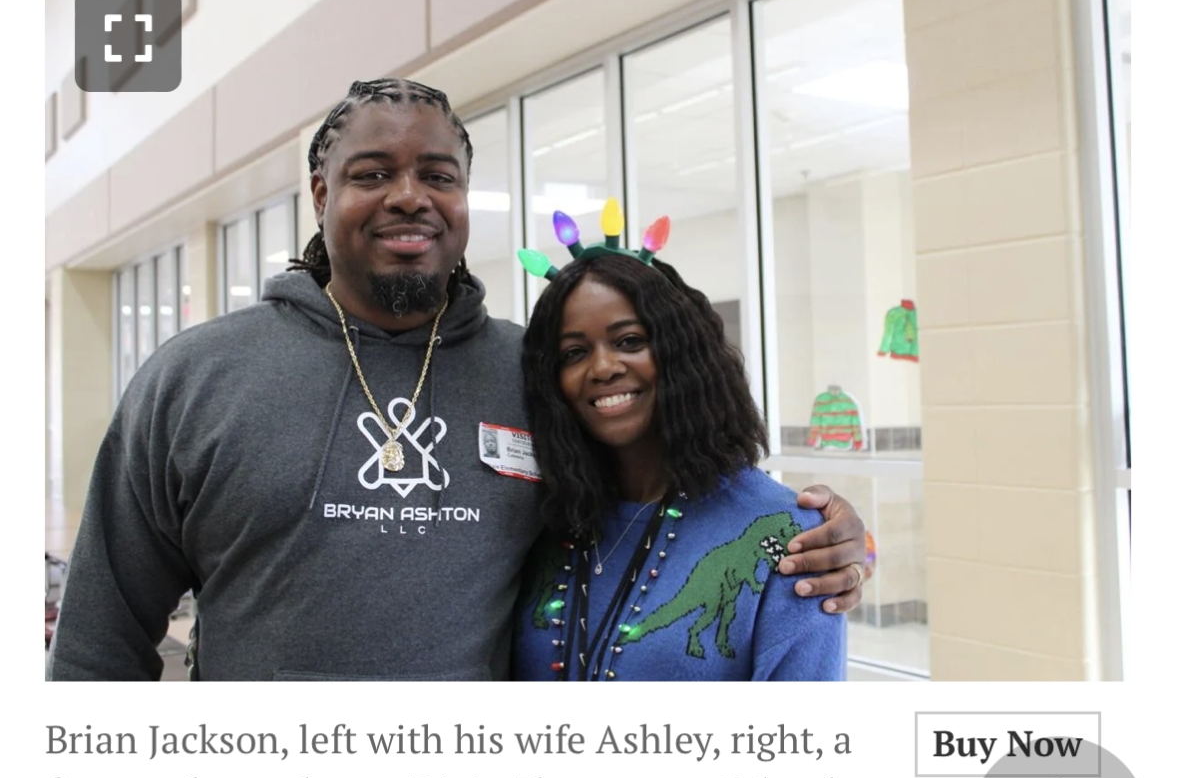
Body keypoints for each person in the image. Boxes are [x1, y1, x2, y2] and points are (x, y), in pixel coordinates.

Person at [48, 79, 871, 681]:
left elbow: (668, 485)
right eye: (372, 174)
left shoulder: (539, 374)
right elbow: (99, 640)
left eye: (437, 176)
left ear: (464, 197)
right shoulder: (196, 378)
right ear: (320, 193)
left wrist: (839, 538)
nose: (409, 197)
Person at [513, 221, 845, 681]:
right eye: (573, 353)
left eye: (630, 341)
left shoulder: (791, 534)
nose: (604, 367)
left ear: (682, 351)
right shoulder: (545, 517)